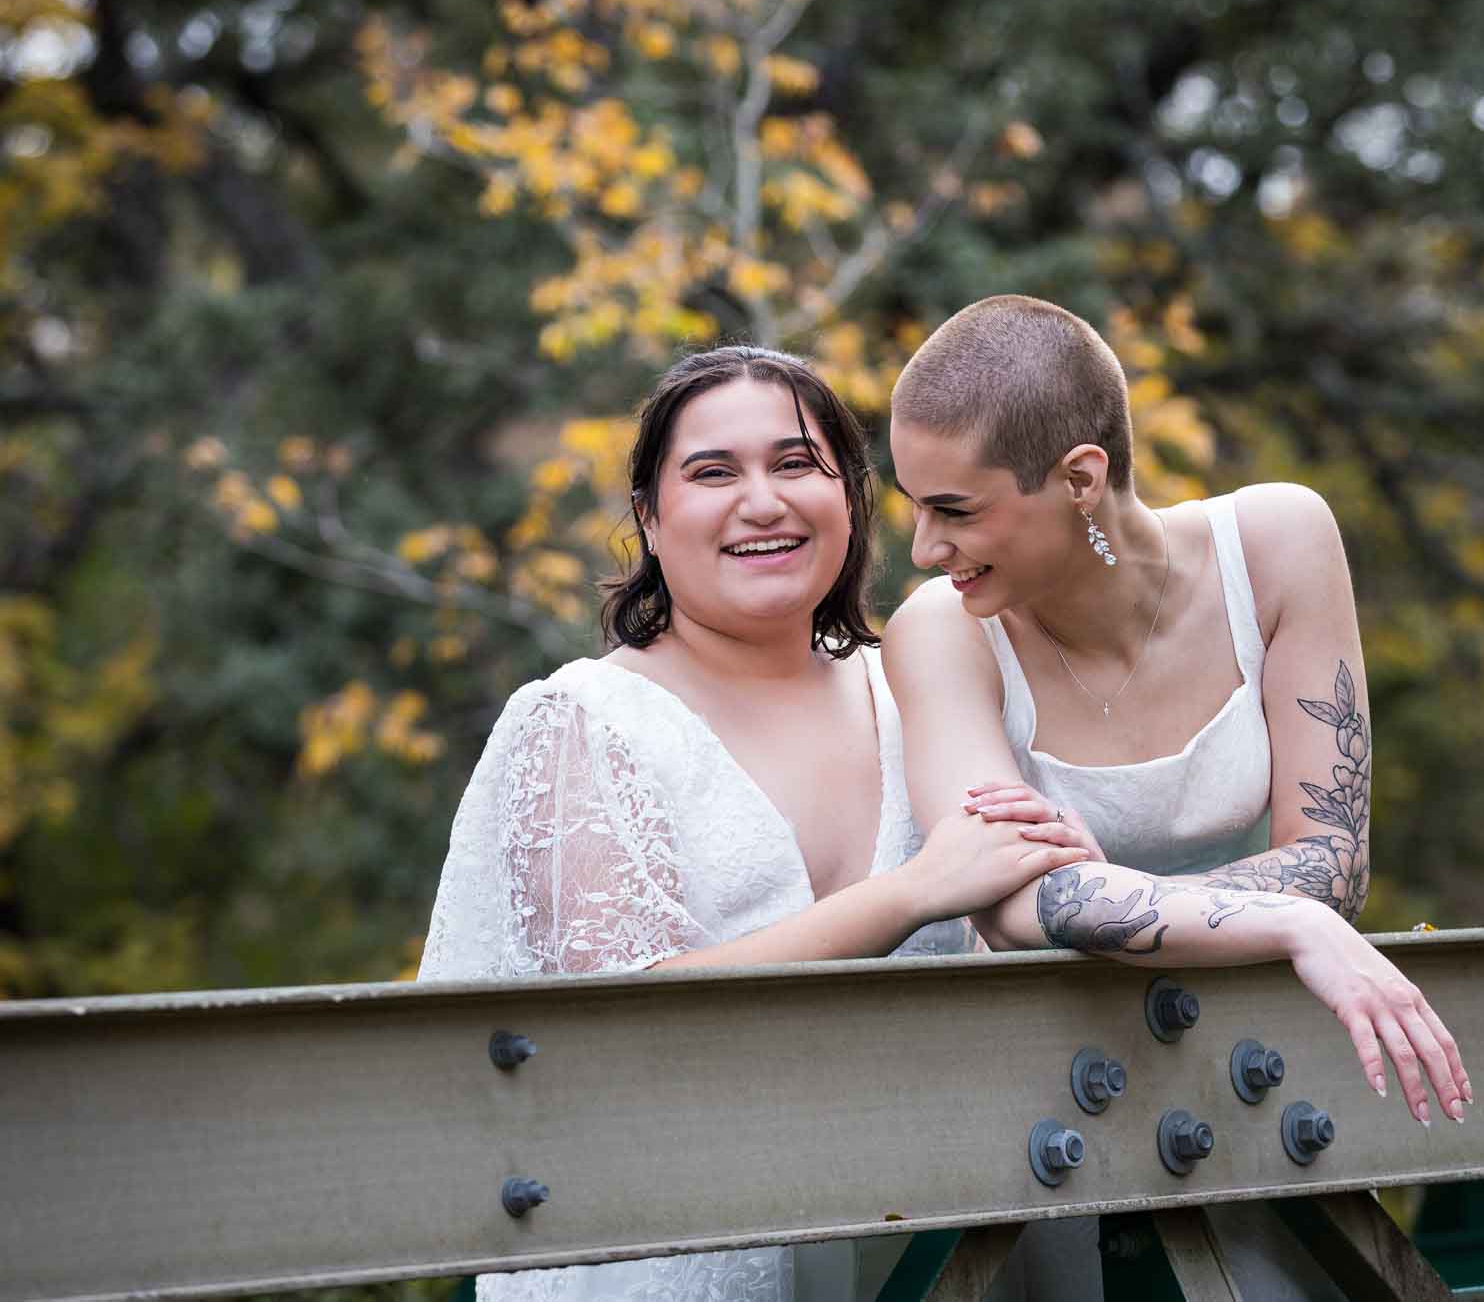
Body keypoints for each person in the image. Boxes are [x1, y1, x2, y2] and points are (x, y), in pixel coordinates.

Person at [417, 345, 1094, 1302]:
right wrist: (910, 892)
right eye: (712, 473)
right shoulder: (581, 722)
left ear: (850, 500)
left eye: (794, 464)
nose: (763, 501)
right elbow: (610, 1024)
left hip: (931, 1256)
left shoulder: (924, 698)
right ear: (650, 519)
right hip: (673, 1259)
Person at [882, 295, 1470, 1297]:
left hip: (1247, 1085)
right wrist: (1281, 917)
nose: (921, 548)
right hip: (1032, 1110)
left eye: (954, 510)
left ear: (1078, 478)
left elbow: (1331, 859)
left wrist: (1295, 912)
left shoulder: (1280, 542)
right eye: (912, 503)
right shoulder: (937, 630)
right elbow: (1013, 902)